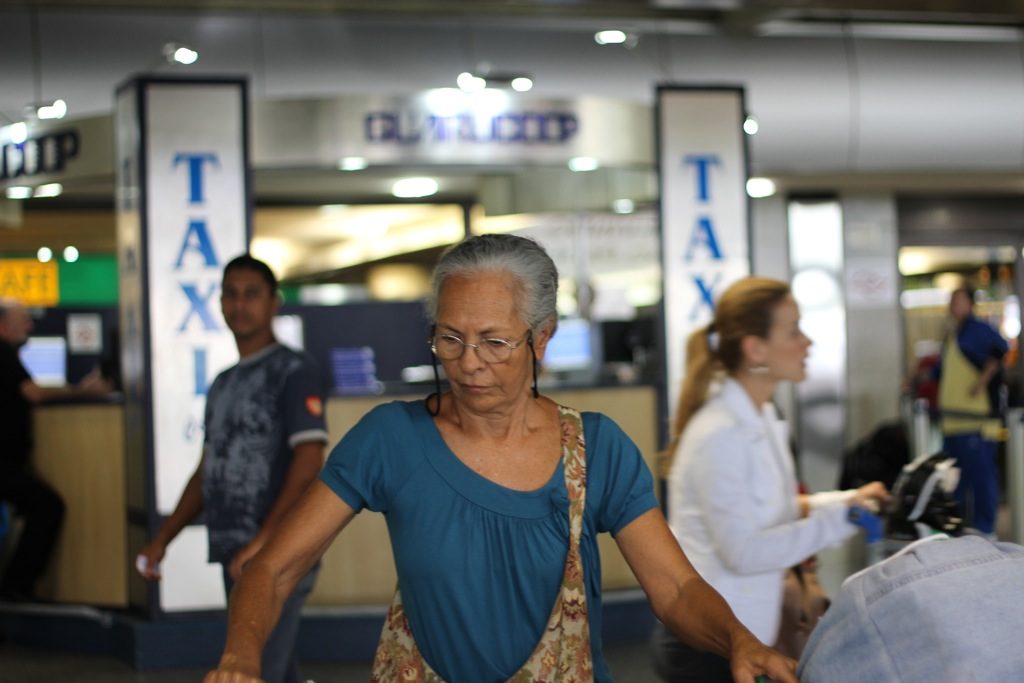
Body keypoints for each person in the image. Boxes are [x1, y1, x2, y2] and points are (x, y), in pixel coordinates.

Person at [203, 234, 798, 683]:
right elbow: (273, 570)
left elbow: (674, 589)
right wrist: (240, 657)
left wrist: (737, 639)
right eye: (449, 338)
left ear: (542, 337)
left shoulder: (595, 449)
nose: (468, 362)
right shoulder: (391, 439)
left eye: (494, 341)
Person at [653, 276, 889, 682]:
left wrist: (846, 501)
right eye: (793, 331)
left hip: (744, 636)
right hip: (706, 648)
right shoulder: (720, 432)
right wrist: (839, 521)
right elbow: (743, 552)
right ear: (755, 349)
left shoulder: (761, 416)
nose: (807, 343)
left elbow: (774, 509)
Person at [137, 255, 329, 683]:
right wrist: (162, 540)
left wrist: (264, 541)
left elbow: (309, 462)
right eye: (230, 294)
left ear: (274, 302)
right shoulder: (223, 383)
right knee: (273, 668)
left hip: (278, 552)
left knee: (253, 669)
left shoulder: (295, 371)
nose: (239, 305)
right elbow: (209, 469)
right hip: (235, 553)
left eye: (251, 294)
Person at [0, 298, 106, 601]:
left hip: (10, 463)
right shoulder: (2, 353)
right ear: (3, 325)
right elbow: (33, 393)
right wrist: (81, 392)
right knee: (47, 506)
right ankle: (16, 588)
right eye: (23, 319)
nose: (30, 325)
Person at [934, 284, 1008, 538]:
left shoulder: (978, 329)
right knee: (955, 481)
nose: (954, 306)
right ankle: (959, 530)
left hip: (975, 420)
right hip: (953, 420)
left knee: (981, 478)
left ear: (970, 304)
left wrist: (982, 382)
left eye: (959, 300)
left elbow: (1000, 349)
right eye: (951, 301)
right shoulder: (953, 335)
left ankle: (986, 530)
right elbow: (940, 371)